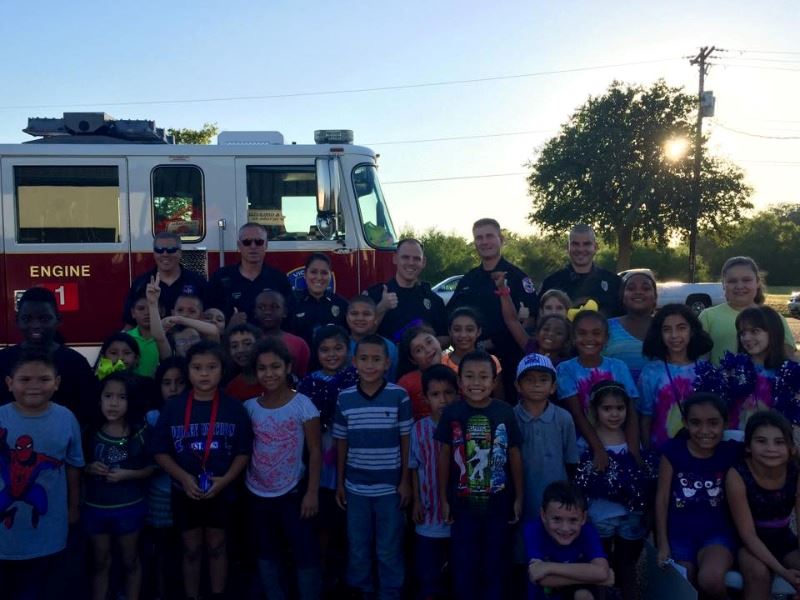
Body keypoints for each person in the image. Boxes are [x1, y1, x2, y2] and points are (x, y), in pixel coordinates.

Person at [150, 341, 252, 600]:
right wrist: (183, 478)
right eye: (197, 368)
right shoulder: (174, 408)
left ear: (222, 370)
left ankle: (218, 594)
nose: (204, 374)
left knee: (218, 545)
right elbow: (160, 451)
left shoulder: (234, 407)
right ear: (188, 371)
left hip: (222, 490)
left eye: (211, 367)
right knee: (190, 548)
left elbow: (243, 452)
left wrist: (226, 480)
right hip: (185, 490)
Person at [435, 350, 524, 599]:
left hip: (499, 504)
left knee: (496, 562)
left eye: (484, 377)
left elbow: (515, 454)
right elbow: (444, 456)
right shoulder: (452, 413)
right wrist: (443, 498)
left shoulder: (505, 412)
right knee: (464, 563)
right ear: (460, 381)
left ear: (494, 382)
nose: (476, 383)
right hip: (461, 506)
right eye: (470, 377)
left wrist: (519, 496)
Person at [333, 334, 413, 599]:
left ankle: (390, 591)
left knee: (389, 546)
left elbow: (406, 440)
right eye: (364, 359)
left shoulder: (398, 396)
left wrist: (405, 481)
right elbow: (341, 442)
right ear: (353, 362)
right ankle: (362, 589)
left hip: (390, 488)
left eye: (376, 359)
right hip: (355, 488)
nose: (370, 365)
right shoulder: (345, 398)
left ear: (387, 363)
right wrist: (340, 482)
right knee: (358, 545)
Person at [0, 351, 84, 599]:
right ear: (9, 383)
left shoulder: (66, 418)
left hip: (49, 532)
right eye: (25, 380)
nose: (34, 386)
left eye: (43, 379)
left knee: (40, 587)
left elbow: (73, 465)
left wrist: (74, 507)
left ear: (56, 382)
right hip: (4, 541)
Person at [245, 338, 322, 600]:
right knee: (266, 552)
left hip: (294, 493)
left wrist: (311, 492)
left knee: (304, 551)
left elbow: (315, 451)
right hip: (257, 493)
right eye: (262, 368)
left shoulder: (303, 405)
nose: (269, 373)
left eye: (275, 366)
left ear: (288, 367)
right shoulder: (250, 408)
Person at [655, 393, 742, 600]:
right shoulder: (673, 451)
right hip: (679, 536)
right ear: (685, 423)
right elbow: (662, 498)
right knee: (683, 585)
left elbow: (771, 453)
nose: (704, 431)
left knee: (710, 580)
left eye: (713, 423)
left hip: (717, 534)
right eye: (695, 423)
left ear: (725, 423)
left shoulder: (732, 451)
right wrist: (662, 542)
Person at [575, 381, 651, 600]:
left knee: (627, 565)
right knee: (601, 565)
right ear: (595, 410)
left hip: (631, 517)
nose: (614, 414)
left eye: (620, 408)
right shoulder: (585, 443)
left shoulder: (632, 442)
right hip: (599, 516)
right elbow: (580, 481)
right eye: (607, 409)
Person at [449, 218, 538, 402]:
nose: (484, 242)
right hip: (474, 365)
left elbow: (533, 319)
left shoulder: (517, 278)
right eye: (479, 238)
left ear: (501, 239)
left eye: (489, 236)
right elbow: (452, 317)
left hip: (510, 359)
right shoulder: (468, 280)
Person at [296, 325, 358, 593]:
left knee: (349, 519)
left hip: (352, 452)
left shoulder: (356, 376)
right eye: (325, 350)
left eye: (338, 348)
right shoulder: (308, 382)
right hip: (318, 451)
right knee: (321, 516)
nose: (332, 354)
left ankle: (350, 574)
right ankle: (321, 574)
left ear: (348, 349)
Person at [84, 372, 154, 600]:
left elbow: (153, 467)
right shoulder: (90, 430)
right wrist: (89, 468)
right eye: (108, 396)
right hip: (95, 508)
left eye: (121, 397)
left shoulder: (140, 431)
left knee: (130, 559)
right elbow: (77, 464)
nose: (113, 403)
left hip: (129, 507)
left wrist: (127, 475)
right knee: (100, 561)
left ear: (131, 401)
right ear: (99, 398)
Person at [726, 411, 800, 598]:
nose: (771, 448)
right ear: (748, 446)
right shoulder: (737, 474)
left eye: (779, 442)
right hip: (747, 542)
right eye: (761, 441)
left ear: (791, 448)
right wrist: (783, 572)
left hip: (783, 539)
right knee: (758, 574)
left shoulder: (795, 472)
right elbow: (747, 534)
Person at [555, 310, 639, 471]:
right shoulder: (566, 369)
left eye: (596, 333)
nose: (589, 339)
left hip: (619, 442)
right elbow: (577, 413)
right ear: (573, 338)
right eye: (582, 333)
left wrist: (634, 451)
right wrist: (598, 449)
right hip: (583, 446)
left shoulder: (618, 366)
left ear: (606, 338)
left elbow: (631, 412)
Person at [0, 287, 96, 425]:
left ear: (58, 319)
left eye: (44, 318)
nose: (36, 325)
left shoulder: (76, 363)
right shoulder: (3, 360)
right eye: (27, 318)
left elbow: (87, 412)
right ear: (17, 320)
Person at [409, 365, 458, 600]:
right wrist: (416, 501)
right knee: (429, 579)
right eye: (436, 394)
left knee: (458, 576)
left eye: (448, 393)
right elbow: (414, 467)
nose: (443, 400)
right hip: (428, 516)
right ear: (425, 398)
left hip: (458, 518)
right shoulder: (418, 430)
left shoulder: (464, 427)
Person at [638, 304, 714, 449]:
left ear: (692, 331)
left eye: (681, 328)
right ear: (659, 334)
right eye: (667, 329)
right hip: (662, 452)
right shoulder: (651, 372)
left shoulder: (706, 370)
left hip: (702, 451)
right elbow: (645, 419)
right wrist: (647, 455)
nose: (674, 335)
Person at [513, 353, 578, 523]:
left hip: (558, 501)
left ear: (553, 387)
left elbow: (571, 461)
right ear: (518, 386)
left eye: (543, 379)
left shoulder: (564, 418)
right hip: (522, 500)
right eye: (529, 379)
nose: (536, 385)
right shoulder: (510, 418)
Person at [143, 357, 187, 600]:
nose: (173, 388)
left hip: (190, 492)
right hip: (160, 493)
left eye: (179, 382)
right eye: (167, 383)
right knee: (160, 549)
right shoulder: (151, 417)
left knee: (187, 548)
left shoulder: (196, 412)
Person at [699, 256, 795, 365]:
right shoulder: (708, 316)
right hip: (721, 381)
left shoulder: (773, 318)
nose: (739, 286)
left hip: (764, 381)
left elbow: (788, 358)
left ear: (758, 282)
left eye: (746, 280)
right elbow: (698, 359)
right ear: (723, 285)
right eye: (732, 281)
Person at [525, 481, 612, 600]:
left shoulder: (587, 530)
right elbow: (541, 578)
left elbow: (601, 572)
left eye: (573, 520)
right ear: (543, 515)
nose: (565, 528)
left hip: (575, 591)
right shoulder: (534, 530)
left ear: (583, 518)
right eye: (556, 519)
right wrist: (594, 577)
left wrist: (548, 567)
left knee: (583, 596)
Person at [365, 238, 448, 346]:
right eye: (405, 257)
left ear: (423, 262)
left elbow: (445, 337)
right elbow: (362, 335)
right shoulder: (375, 295)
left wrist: (421, 347)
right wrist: (381, 308)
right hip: (387, 362)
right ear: (395, 258)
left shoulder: (434, 300)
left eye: (416, 259)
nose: (411, 263)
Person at [206, 222, 293, 323]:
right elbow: (209, 319)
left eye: (259, 242)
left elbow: (289, 316)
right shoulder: (220, 278)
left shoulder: (279, 279)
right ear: (239, 245)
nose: (253, 246)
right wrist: (230, 326)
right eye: (247, 242)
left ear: (266, 245)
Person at [122, 231, 207, 327]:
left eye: (171, 249)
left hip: (188, 338)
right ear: (154, 253)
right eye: (159, 250)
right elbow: (130, 323)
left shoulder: (198, 282)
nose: (165, 254)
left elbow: (208, 319)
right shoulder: (140, 283)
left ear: (179, 252)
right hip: (152, 340)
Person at [727, 306, 789, 431]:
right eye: (742, 333)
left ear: (773, 332)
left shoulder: (790, 373)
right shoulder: (731, 371)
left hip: (773, 445)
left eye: (755, 331)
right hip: (735, 440)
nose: (747, 338)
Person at [540, 224, 623, 318]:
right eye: (575, 244)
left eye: (586, 244)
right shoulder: (552, 283)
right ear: (568, 247)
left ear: (595, 247)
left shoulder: (614, 282)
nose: (580, 249)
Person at [604, 270, 658, 381]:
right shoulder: (606, 327)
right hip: (615, 396)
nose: (638, 292)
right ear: (623, 297)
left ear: (655, 297)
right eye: (631, 288)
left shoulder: (666, 328)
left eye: (646, 288)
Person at [442, 307, 504, 399]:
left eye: (469, 330)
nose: (463, 335)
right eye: (457, 329)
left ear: (478, 331)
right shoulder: (442, 362)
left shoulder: (491, 361)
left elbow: (499, 398)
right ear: (450, 331)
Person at [289, 252, 349, 347]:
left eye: (324, 273)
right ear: (305, 274)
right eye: (313, 272)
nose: (319, 277)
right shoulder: (292, 303)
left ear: (330, 276)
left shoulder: (341, 304)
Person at [252, 289, 311, 378]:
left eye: (274, 307)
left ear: (285, 312)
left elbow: (301, 376)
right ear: (255, 312)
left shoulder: (298, 344)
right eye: (262, 307)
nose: (267, 312)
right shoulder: (249, 342)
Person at [397, 325, 447, 420]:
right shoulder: (406, 383)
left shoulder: (454, 372)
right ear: (413, 360)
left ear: (438, 340)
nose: (428, 350)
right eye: (418, 350)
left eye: (429, 342)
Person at [346, 295, 399, 381]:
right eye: (354, 314)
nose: (360, 318)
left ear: (375, 318)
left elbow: (393, 378)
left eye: (366, 314)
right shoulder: (341, 346)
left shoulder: (389, 347)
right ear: (347, 317)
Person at [222, 323, 264, 401]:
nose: (240, 350)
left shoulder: (274, 378)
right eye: (234, 346)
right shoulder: (232, 388)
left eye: (247, 344)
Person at [126, 289, 160, 378]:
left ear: (161, 311)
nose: (147, 313)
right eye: (141, 308)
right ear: (133, 313)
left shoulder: (166, 339)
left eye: (151, 308)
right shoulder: (126, 338)